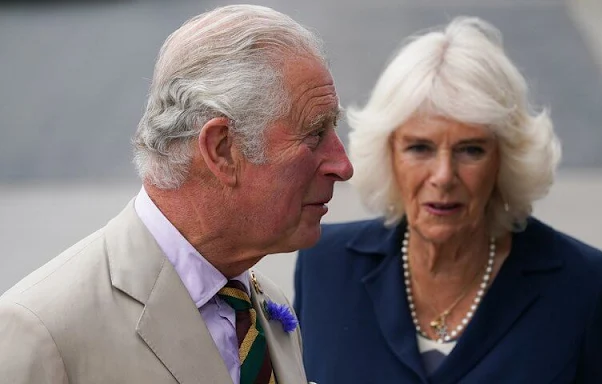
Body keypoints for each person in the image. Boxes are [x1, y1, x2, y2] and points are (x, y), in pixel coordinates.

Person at [0, 5, 352, 384]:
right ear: (221, 149)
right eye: (315, 134)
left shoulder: (266, 304)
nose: (342, 165)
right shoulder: (41, 329)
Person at [294, 16, 602, 384]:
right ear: (388, 154)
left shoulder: (587, 285)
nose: (443, 176)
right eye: (420, 148)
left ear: (506, 159)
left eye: (470, 150)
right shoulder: (325, 263)